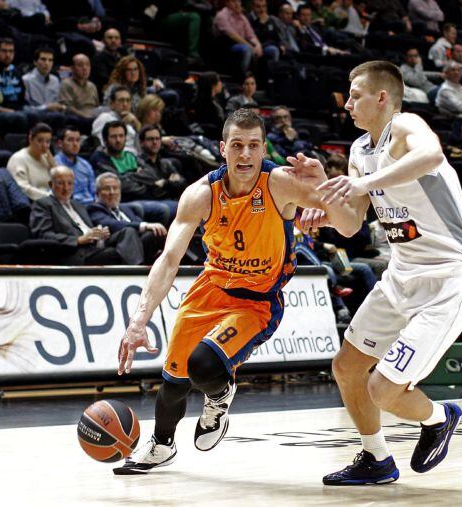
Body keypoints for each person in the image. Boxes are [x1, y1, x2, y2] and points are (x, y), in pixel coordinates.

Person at [113, 108, 352, 474]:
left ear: (262, 149)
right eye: (237, 145)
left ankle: (219, 394)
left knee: (204, 365)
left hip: (256, 302)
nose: (245, 155)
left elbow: (350, 223)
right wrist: (138, 321)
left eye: (253, 146)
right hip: (210, 290)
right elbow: (169, 259)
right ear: (222, 148)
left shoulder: (281, 183)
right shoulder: (199, 195)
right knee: (174, 379)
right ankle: (161, 445)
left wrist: (326, 197)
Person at [288, 61, 462, 485]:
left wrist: (362, 184)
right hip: (401, 275)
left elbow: (431, 155)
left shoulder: (407, 125)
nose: (348, 103)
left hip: (447, 279)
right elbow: (352, 222)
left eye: (355, 95)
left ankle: (439, 417)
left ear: (381, 98)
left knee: (383, 388)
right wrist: (324, 202)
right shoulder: (359, 151)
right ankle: (376, 459)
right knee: (347, 366)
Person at [30, 166, 144, 266]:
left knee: (128, 231)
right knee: (120, 253)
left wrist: (100, 234)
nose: (66, 188)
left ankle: (139, 269)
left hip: (95, 246)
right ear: (51, 184)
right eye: (61, 183)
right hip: (77, 252)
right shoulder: (43, 204)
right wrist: (78, 240)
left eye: (69, 183)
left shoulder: (78, 205)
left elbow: (89, 230)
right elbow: (43, 235)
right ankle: (139, 276)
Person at [87, 172, 167, 264]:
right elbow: (112, 224)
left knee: (158, 232)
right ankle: (138, 270)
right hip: (115, 244)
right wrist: (145, 225)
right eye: (107, 189)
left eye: (115, 188)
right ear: (97, 193)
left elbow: (138, 223)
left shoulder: (125, 208)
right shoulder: (94, 209)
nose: (112, 192)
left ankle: (178, 264)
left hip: (137, 243)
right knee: (129, 231)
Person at [6, 123, 56, 201]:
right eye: (40, 141)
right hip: (31, 203)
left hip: (49, 200)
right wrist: (49, 196)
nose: (44, 145)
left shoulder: (46, 157)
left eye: (48, 142)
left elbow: (59, 181)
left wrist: (53, 164)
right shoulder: (18, 158)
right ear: (30, 139)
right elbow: (23, 188)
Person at [54, 126, 96, 205]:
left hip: (91, 207)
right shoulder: (54, 165)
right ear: (60, 143)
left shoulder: (85, 165)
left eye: (77, 140)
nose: (75, 144)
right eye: (70, 140)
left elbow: (94, 191)